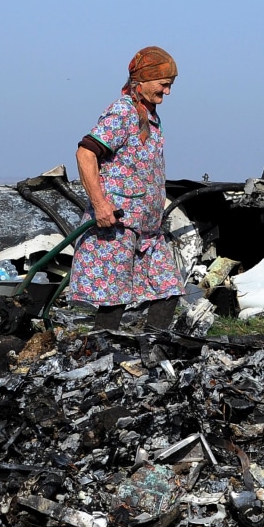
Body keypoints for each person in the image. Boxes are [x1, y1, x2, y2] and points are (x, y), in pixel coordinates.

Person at [69, 46, 185, 331]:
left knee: (168, 288)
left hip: (147, 230)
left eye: (170, 85)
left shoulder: (150, 117)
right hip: (117, 224)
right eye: (164, 84)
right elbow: (85, 153)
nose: (167, 92)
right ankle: (99, 356)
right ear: (142, 81)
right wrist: (100, 205)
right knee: (114, 299)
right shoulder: (123, 112)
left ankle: (153, 350)